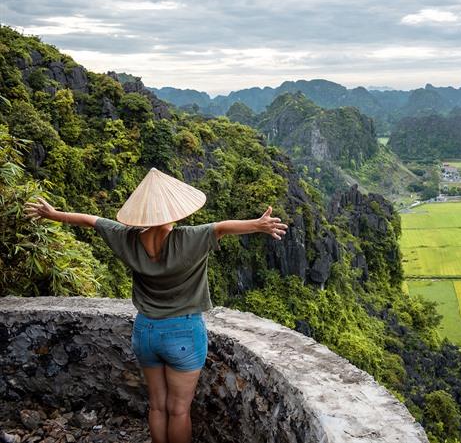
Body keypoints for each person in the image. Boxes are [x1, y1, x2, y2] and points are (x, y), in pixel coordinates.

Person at [23, 167, 288, 443]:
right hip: (184, 332)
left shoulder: (127, 239)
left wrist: (52, 214)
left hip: (146, 332)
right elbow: (221, 227)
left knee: (158, 405)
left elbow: (91, 221)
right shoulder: (189, 238)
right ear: (175, 210)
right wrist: (258, 224)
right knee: (179, 410)